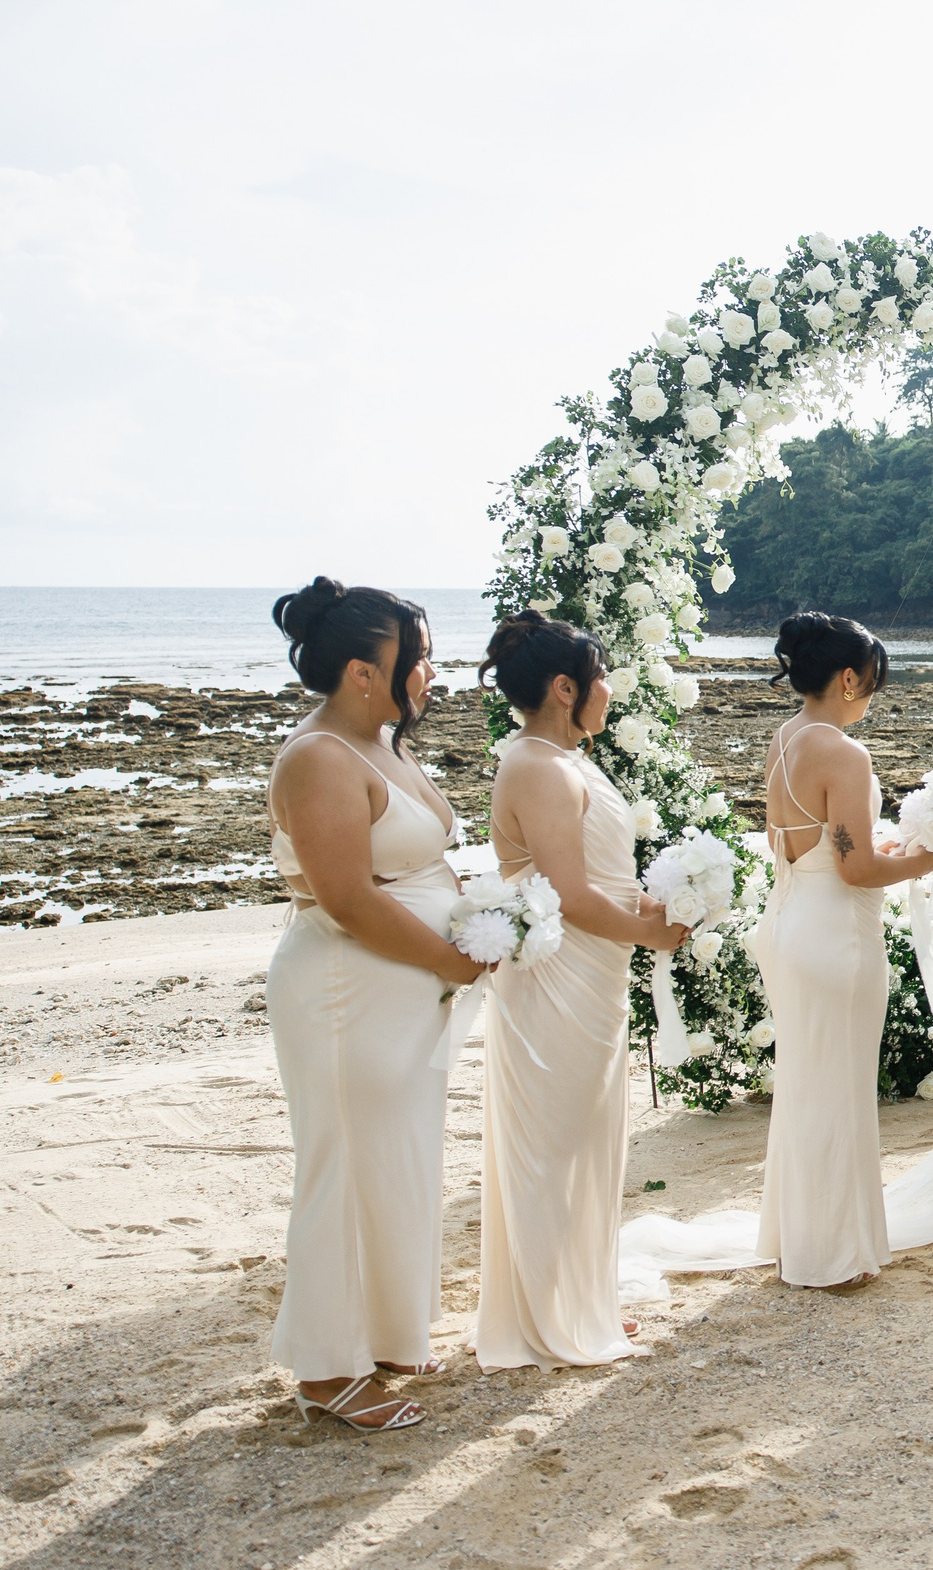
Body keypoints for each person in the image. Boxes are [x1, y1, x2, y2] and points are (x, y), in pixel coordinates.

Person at [263, 579, 489, 1431]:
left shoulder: (384, 744)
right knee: (344, 1166)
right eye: (416, 657)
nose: (429, 671)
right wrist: (452, 960)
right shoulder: (318, 757)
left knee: (395, 1162)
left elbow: (420, 865)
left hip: (401, 995)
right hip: (343, 992)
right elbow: (350, 898)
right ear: (364, 671)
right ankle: (327, 1370)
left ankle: (387, 1337)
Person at [473, 612, 689, 1370]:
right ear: (565, 688)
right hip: (558, 977)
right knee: (555, 1142)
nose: (609, 689)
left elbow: (600, 881)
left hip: (595, 972)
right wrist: (653, 932)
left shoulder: (572, 759)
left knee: (590, 1139)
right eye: (599, 677)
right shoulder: (536, 765)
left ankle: (584, 1298)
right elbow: (566, 895)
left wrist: (663, 904)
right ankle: (547, 1317)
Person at [750, 612, 933, 1288]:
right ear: (849, 677)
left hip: (790, 918)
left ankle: (795, 1239)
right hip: (835, 934)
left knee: (808, 1083)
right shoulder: (843, 751)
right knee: (838, 1091)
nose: (872, 697)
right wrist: (923, 861)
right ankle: (831, 1257)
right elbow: (856, 869)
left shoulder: (786, 737)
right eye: (872, 684)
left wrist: (879, 852)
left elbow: (823, 846)